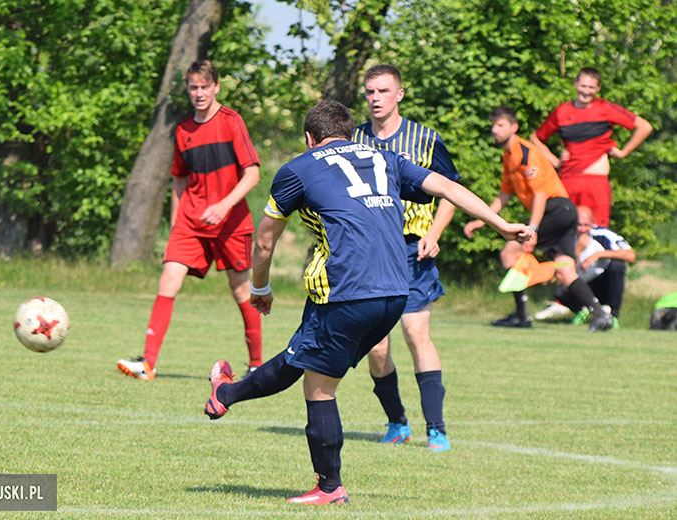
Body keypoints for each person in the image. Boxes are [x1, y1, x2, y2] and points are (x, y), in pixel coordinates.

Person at [202, 100, 531, 505]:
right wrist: (502, 226)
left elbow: (266, 238)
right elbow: (447, 187)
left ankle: (329, 487)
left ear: (310, 138)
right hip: (395, 290)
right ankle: (226, 395)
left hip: (344, 289)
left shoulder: (298, 169)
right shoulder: (385, 158)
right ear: (351, 133)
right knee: (302, 358)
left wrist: (260, 288)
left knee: (319, 386)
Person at [117, 60, 263, 380]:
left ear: (216, 88)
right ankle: (148, 362)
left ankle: (256, 365)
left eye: (204, 87)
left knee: (241, 292)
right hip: (191, 222)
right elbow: (180, 180)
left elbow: (252, 174)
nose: (198, 93)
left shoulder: (231, 122)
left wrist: (224, 206)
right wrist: (176, 220)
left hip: (231, 222)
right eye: (193, 87)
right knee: (168, 281)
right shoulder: (183, 130)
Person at [351, 64, 458, 450]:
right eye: (369, 92)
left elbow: (450, 190)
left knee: (416, 334)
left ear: (399, 94)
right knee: (376, 346)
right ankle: (397, 422)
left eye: (382, 91)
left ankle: (436, 428)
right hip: (369, 255)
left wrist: (435, 231)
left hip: (413, 250)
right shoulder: (353, 139)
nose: (375, 98)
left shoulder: (425, 139)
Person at [464, 106, 615, 333]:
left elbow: (541, 194)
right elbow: (504, 195)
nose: (495, 129)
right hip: (561, 211)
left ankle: (522, 315)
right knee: (565, 270)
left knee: (510, 252)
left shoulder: (525, 151)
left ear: (513, 127)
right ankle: (600, 313)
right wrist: (482, 219)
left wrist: (532, 228)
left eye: (500, 125)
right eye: (493, 125)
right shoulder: (508, 156)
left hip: (555, 209)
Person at [529, 67, 652, 228]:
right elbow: (535, 137)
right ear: (575, 84)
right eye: (583, 86)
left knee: (597, 231)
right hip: (568, 179)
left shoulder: (605, 108)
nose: (586, 91)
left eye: (591, 87)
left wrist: (623, 153)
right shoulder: (562, 111)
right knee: (566, 231)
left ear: (598, 88)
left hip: (596, 182)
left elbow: (644, 127)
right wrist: (554, 160)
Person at [549, 205, 635, 325]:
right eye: (579, 225)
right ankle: (584, 310)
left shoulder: (603, 235)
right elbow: (563, 269)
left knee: (617, 265)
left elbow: (631, 256)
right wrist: (579, 249)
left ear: (593, 223)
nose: (582, 229)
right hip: (581, 283)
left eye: (586, 225)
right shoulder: (566, 238)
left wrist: (597, 255)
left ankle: (613, 314)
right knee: (560, 292)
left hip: (604, 282)